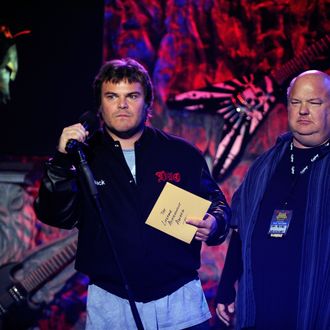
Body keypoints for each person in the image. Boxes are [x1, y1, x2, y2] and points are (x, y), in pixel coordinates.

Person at [33, 58, 231, 329]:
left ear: (147, 102)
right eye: (112, 96)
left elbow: (217, 203)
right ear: (100, 105)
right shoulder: (83, 156)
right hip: (111, 302)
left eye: (132, 96)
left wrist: (215, 222)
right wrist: (60, 160)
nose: (122, 105)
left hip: (179, 298)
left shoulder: (181, 153)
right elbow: (54, 213)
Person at [215, 69, 330, 329]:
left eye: (314, 102)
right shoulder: (264, 165)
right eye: (295, 102)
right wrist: (226, 285)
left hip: (314, 312)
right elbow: (240, 229)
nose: (303, 110)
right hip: (259, 311)